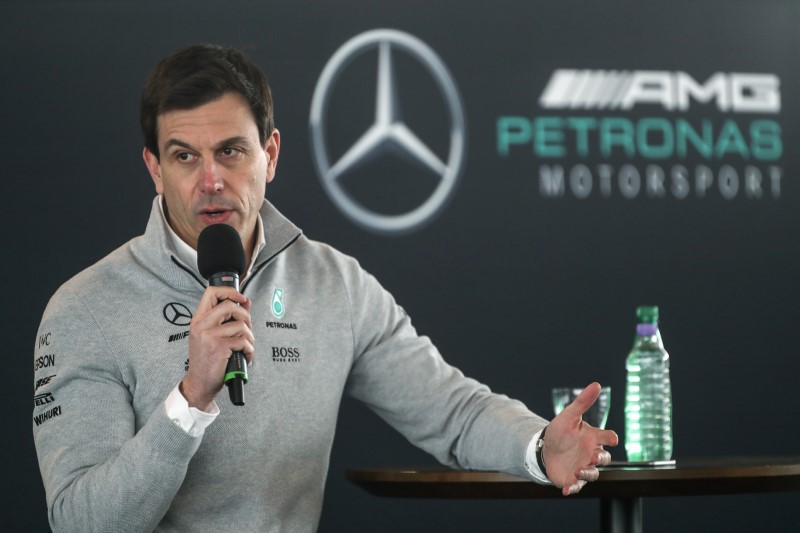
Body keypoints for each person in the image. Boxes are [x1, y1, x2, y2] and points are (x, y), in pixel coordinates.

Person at [32, 43, 618, 532]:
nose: (210, 181)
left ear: (271, 154)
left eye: (231, 152)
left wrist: (539, 447)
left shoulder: (333, 284)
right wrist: (188, 400)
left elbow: (452, 411)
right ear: (155, 170)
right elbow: (82, 520)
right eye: (184, 157)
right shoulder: (86, 308)